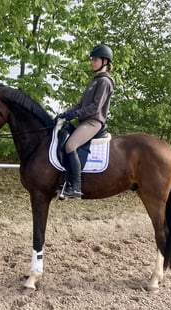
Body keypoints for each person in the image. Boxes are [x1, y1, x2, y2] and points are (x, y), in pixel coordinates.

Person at [57, 44, 115, 199]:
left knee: (71, 145)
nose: (92, 62)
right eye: (92, 59)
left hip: (93, 122)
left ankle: (75, 186)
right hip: (84, 121)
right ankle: (64, 180)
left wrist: (76, 114)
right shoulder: (94, 81)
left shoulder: (105, 81)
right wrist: (66, 113)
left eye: (95, 60)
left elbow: (95, 108)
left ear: (104, 61)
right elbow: (81, 105)